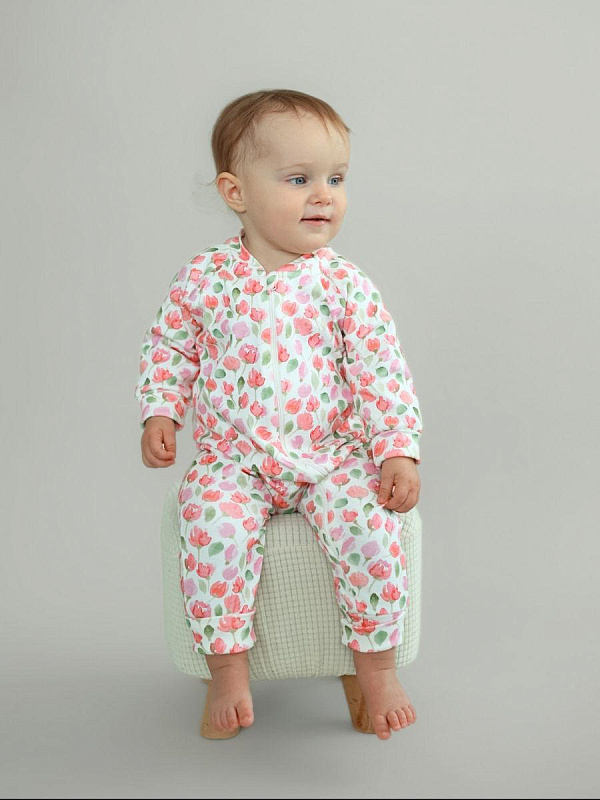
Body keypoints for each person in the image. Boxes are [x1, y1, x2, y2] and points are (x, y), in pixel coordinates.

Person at [134, 89, 423, 741]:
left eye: (336, 179)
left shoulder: (344, 284)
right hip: (233, 462)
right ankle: (227, 672)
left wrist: (397, 448)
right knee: (207, 523)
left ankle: (376, 669)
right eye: (299, 180)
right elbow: (170, 346)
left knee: (371, 530)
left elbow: (381, 369)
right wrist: (161, 412)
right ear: (236, 192)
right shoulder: (205, 277)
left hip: (330, 457)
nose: (324, 196)